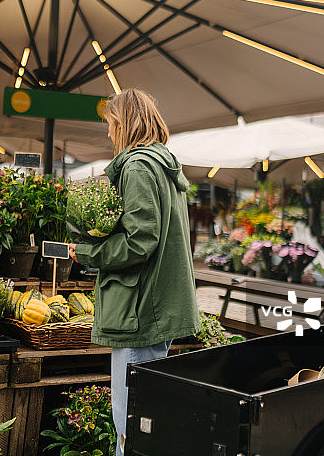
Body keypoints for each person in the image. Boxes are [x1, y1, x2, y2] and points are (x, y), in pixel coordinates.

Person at [69, 88, 199, 456]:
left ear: (126, 123)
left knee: (130, 424)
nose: (108, 132)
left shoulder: (138, 167)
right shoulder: (163, 165)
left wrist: (88, 251)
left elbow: (141, 240)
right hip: (155, 304)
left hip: (139, 308)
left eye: (111, 123)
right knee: (145, 420)